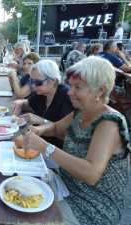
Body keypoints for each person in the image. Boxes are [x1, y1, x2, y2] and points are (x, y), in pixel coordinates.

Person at [22, 56, 130, 225]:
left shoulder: (109, 122)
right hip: (66, 184)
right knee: (18, 182)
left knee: (23, 215)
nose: (70, 92)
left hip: (92, 206)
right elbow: (56, 128)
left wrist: (45, 147)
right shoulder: (81, 112)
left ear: (100, 91)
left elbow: (91, 174)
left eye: (77, 87)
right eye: (71, 86)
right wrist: (39, 129)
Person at [12, 59, 73, 148]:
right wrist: (20, 103)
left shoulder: (67, 97)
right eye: (31, 81)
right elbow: (27, 103)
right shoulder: (41, 93)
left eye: (38, 82)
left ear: (53, 81)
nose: (33, 86)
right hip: (36, 144)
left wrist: (41, 120)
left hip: (55, 150)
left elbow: (67, 136)